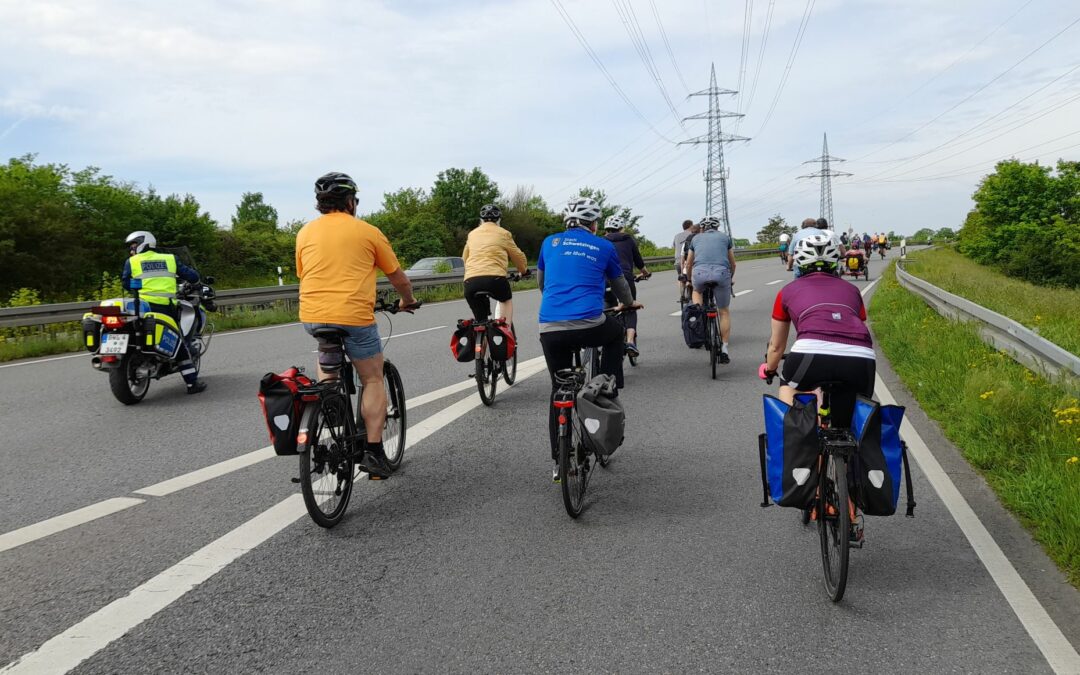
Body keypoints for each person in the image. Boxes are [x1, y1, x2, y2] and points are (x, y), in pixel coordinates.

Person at [295, 171, 419, 479]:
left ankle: (329, 403)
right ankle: (374, 452)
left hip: (312, 316)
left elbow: (304, 273)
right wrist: (407, 300)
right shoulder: (368, 232)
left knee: (328, 356)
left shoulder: (304, 233)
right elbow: (398, 277)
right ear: (351, 202)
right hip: (353, 317)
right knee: (373, 378)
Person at [537, 196, 642, 482]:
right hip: (590, 322)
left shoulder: (550, 243)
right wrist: (628, 304)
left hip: (550, 326)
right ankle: (608, 383)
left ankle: (558, 461)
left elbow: (542, 284)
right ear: (594, 224)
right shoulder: (604, 246)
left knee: (558, 388)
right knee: (616, 333)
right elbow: (622, 290)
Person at [759, 233, 875, 428]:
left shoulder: (787, 291)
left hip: (810, 353)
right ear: (835, 260)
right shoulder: (852, 290)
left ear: (799, 262)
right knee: (849, 423)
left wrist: (770, 370)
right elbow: (859, 325)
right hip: (860, 357)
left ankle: (794, 435)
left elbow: (777, 347)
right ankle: (853, 452)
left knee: (788, 386)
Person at [122, 231, 206, 394]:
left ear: (143, 243)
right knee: (179, 342)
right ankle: (192, 384)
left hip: (142, 307)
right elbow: (191, 275)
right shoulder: (170, 259)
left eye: (133, 246)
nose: (132, 250)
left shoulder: (131, 262)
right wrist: (196, 283)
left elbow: (127, 283)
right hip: (165, 307)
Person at [462, 204, 529, 326]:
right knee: (505, 300)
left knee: (480, 322)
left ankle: (479, 342)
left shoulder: (472, 234)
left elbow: (464, 258)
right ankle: (506, 329)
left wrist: (472, 272)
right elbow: (518, 256)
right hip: (495, 279)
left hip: (470, 282)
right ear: (499, 219)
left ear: (481, 220)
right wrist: (523, 271)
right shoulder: (504, 233)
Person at [685, 215, 736, 363]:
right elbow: (733, 264)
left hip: (700, 274)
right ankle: (724, 348)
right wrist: (730, 278)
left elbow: (689, 264)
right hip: (721, 274)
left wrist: (689, 280)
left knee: (696, 291)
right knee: (724, 311)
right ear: (717, 227)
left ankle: (699, 312)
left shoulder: (695, 239)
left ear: (703, 228)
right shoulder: (725, 238)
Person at [604, 215, 650, 356]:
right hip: (625, 277)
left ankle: (606, 337)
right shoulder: (628, 239)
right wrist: (645, 273)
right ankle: (630, 342)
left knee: (608, 306)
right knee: (630, 308)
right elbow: (638, 261)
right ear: (621, 228)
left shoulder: (601, 242)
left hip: (605, 279)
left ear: (606, 229)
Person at [673, 219, 694, 300]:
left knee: (681, 278)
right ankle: (691, 297)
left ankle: (682, 295)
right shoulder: (693, 235)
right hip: (688, 261)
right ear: (691, 226)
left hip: (677, 261)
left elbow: (674, 246)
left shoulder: (676, 236)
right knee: (690, 278)